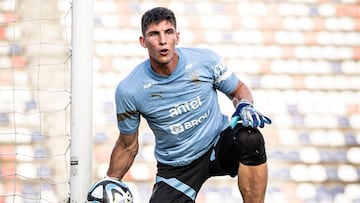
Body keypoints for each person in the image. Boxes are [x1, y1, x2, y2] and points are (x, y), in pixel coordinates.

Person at [106, 6, 271, 203]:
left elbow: (238, 91)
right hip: (177, 166)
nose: (162, 41)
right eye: (154, 34)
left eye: (168, 32)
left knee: (249, 137)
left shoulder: (205, 61)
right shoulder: (130, 90)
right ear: (143, 41)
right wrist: (110, 181)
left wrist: (244, 105)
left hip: (217, 143)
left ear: (177, 36)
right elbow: (127, 145)